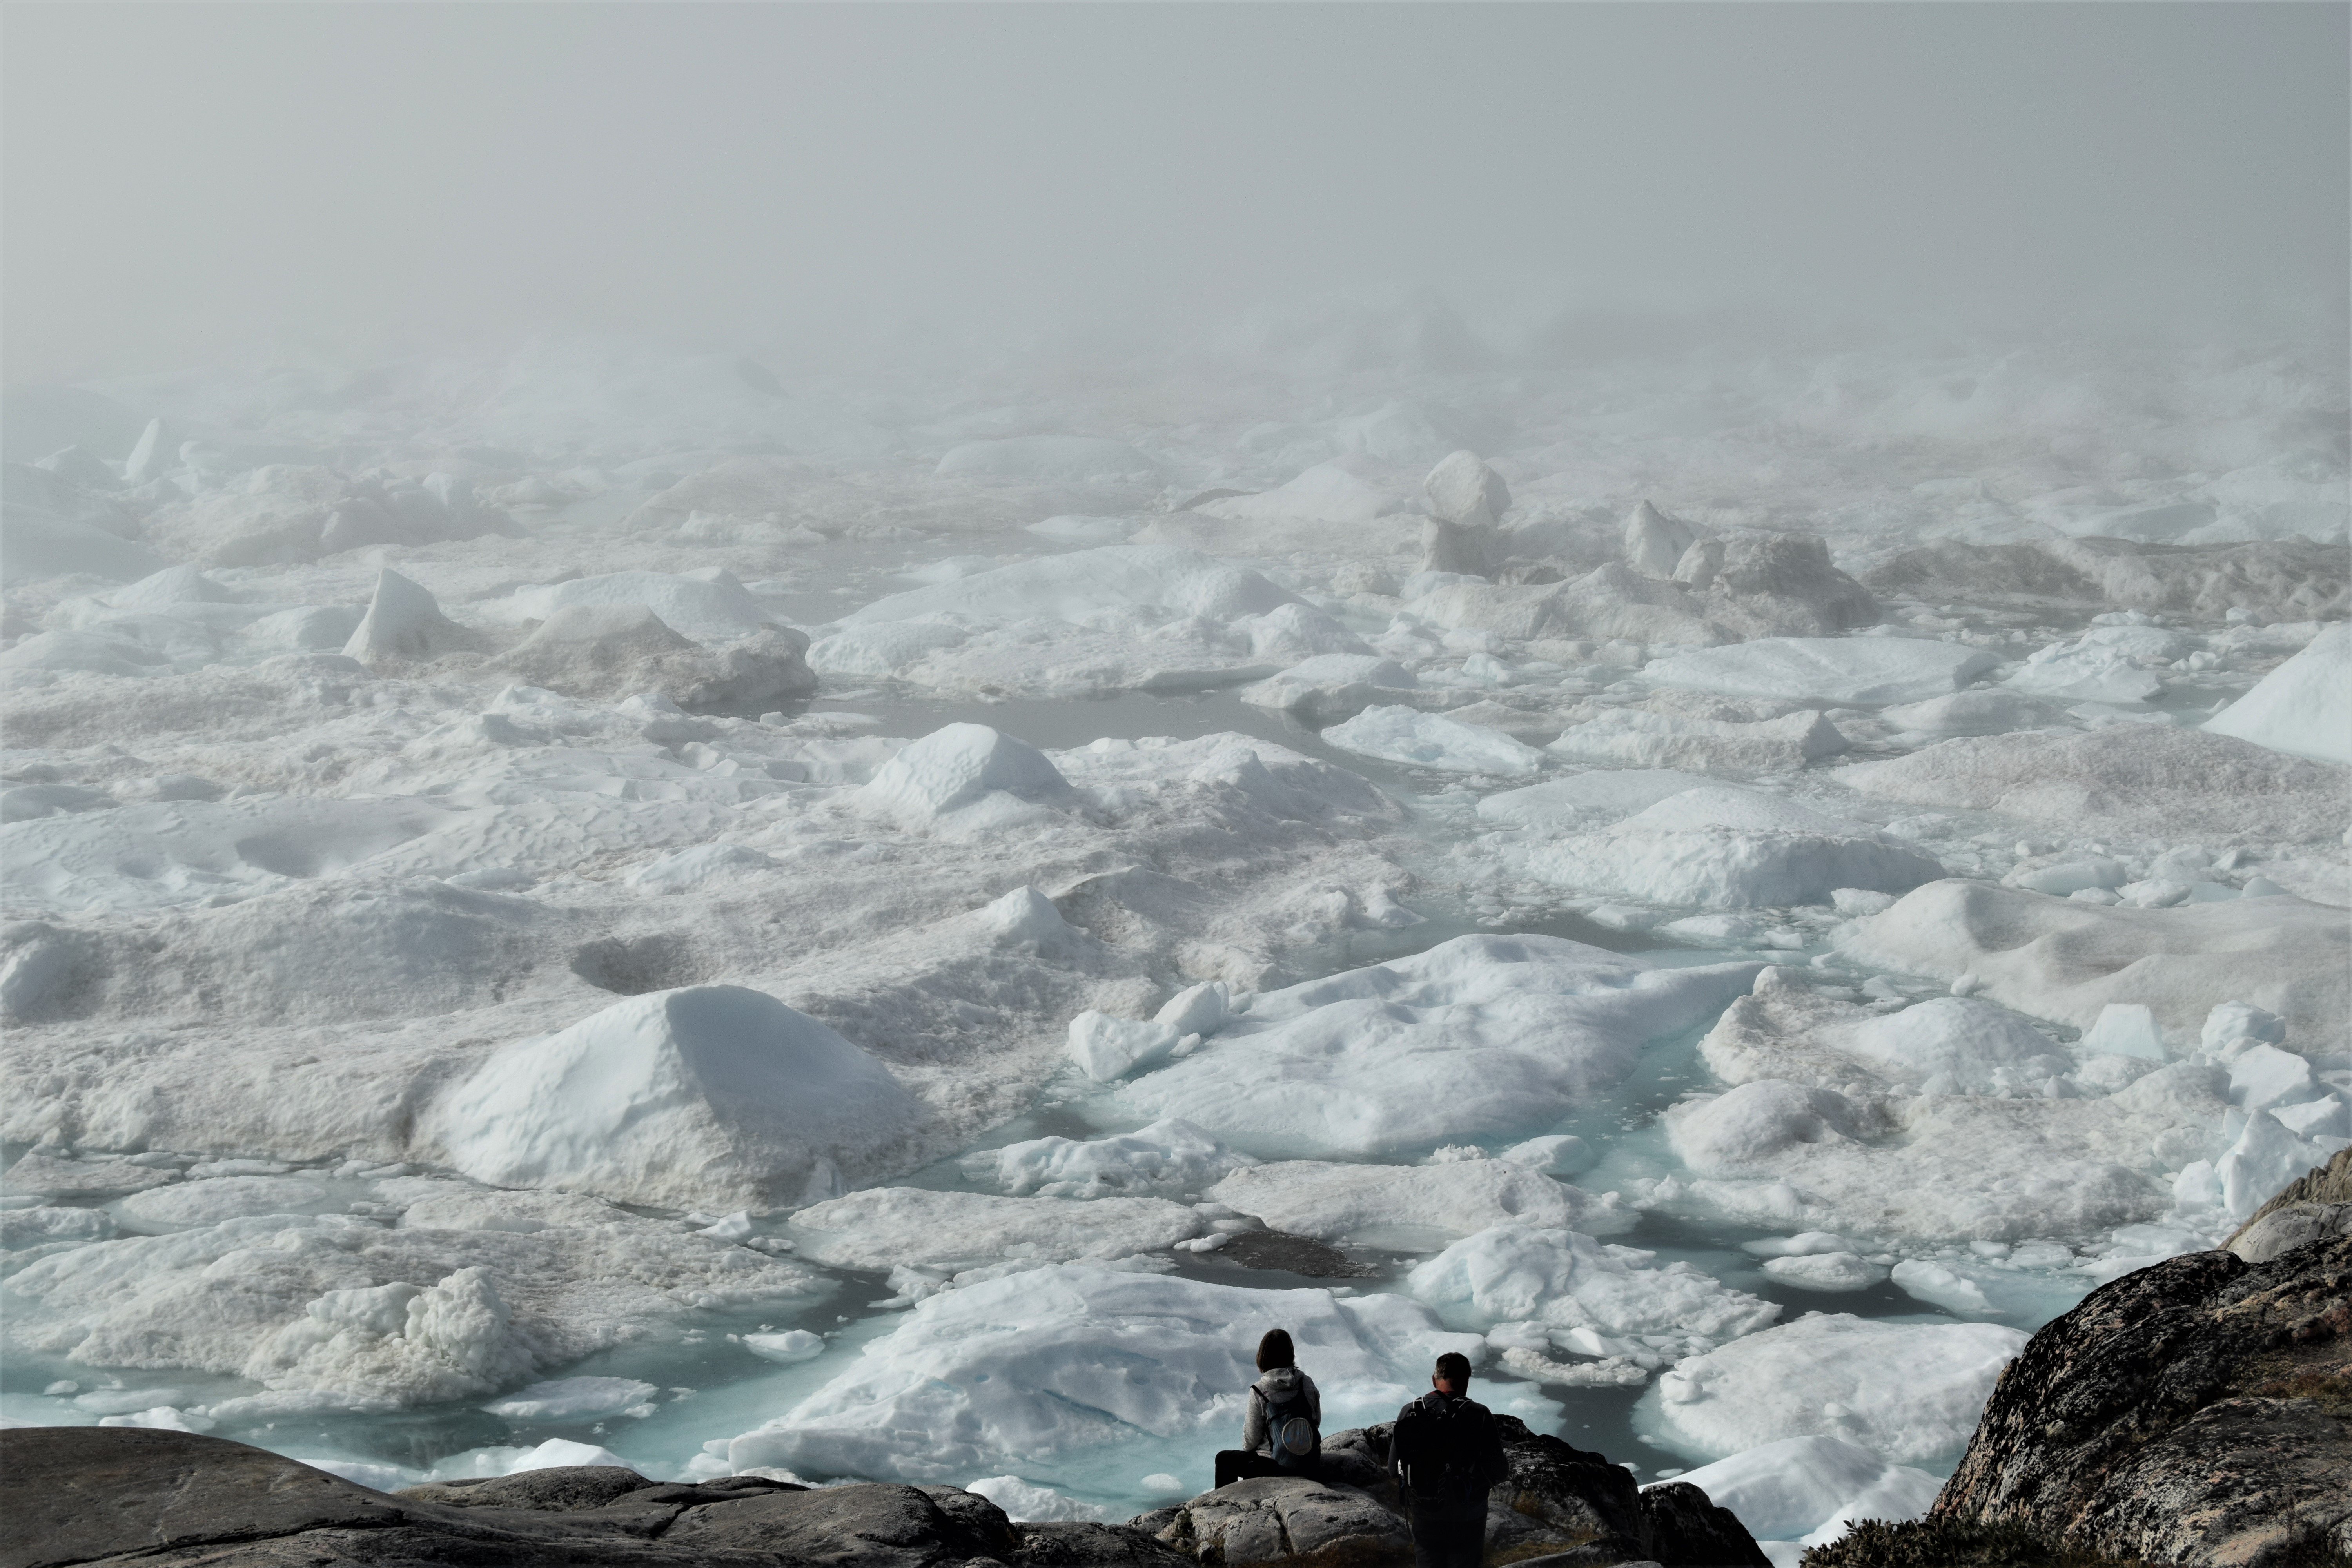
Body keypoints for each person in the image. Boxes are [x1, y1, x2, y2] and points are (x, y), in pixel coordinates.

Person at [1387, 1351, 1508, 1568]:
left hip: (1424, 1514)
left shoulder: (1410, 1411)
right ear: (1467, 1381)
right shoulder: (1479, 1414)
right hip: (1468, 1516)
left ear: (1435, 1379)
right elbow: (1500, 1471)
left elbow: (1392, 1469)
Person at [1212, 1328, 1322, 1488]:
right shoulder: (1307, 1383)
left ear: (1263, 1356)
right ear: (1290, 1353)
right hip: (1309, 1463)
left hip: (1276, 1467)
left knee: (1224, 1459)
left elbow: (1250, 1442)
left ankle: (1224, 1508)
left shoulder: (1259, 1391)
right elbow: (1316, 1422)